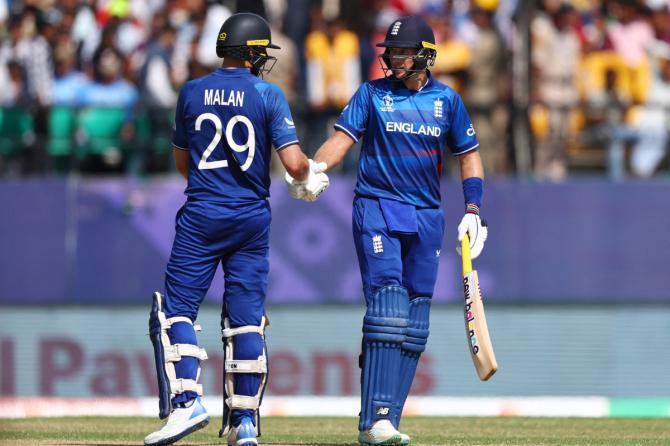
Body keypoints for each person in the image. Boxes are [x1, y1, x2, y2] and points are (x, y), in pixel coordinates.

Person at [288, 15, 488, 445]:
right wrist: (315, 169)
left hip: (428, 216)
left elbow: (469, 155)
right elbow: (340, 139)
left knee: (415, 322)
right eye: (391, 52)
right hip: (378, 206)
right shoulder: (372, 94)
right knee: (388, 307)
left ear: (425, 56)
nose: (394, 59)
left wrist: (473, 209)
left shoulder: (447, 102)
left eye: (402, 52)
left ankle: (386, 423)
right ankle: (375, 418)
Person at [144, 12, 329, 446]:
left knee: (176, 311)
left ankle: (188, 403)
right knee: (246, 319)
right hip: (251, 216)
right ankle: (245, 421)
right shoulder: (268, 93)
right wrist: (309, 177)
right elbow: (295, 163)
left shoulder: (191, 91)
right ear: (250, 53)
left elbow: (182, 163)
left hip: (204, 210)